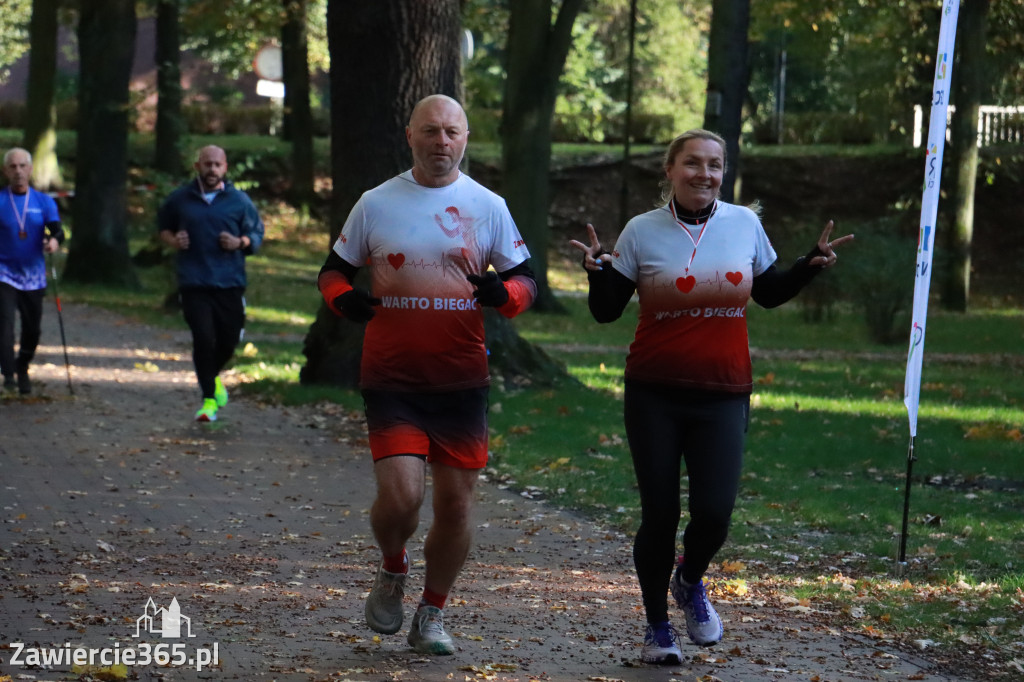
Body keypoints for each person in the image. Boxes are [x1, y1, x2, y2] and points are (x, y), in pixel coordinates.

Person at [570, 129, 853, 665]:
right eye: (693, 163)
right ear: (670, 170)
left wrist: (806, 267)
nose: (704, 173)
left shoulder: (744, 223)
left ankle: (690, 579)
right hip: (654, 392)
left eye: (715, 165)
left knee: (715, 514)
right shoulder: (642, 230)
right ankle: (657, 628)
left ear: (724, 172)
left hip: (724, 392)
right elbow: (608, 310)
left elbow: (766, 292)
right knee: (660, 513)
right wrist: (596, 272)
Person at [316, 94, 536, 655]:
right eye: (432, 131)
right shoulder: (376, 202)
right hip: (392, 378)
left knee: (456, 506)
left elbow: (526, 284)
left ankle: (432, 613)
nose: (443, 142)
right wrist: (345, 302)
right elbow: (333, 272)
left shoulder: (488, 205)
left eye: (453, 132)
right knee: (402, 499)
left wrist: (501, 292)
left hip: (461, 379)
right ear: (410, 135)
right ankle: (393, 568)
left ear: (466, 139)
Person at [158, 145, 264, 422]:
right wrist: (173, 240)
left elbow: (256, 234)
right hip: (194, 281)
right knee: (204, 339)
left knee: (228, 340)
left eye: (217, 165)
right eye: (207, 164)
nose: (212, 170)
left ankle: (212, 377)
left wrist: (239, 242)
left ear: (225, 168)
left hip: (230, 282)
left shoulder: (239, 201)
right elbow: (163, 227)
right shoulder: (180, 199)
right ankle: (208, 399)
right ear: (197, 167)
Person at [0, 148, 64, 395]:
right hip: (3, 271)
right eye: (13, 167)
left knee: (32, 328)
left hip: (33, 274)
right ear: (6, 171)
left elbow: (57, 231)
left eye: (22, 166)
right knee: (4, 325)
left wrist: (55, 241)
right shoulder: (2, 200)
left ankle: (22, 366)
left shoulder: (43, 201)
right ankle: (8, 376)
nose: (18, 171)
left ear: (30, 169)